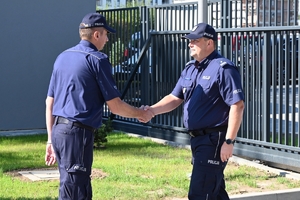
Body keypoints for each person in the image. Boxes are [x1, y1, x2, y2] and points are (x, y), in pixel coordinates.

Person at [44, 12, 153, 200]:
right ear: (96, 35)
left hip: (59, 131)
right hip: (77, 134)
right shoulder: (97, 59)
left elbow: (49, 102)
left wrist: (50, 139)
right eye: (106, 34)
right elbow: (116, 106)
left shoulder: (62, 57)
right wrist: (140, 113)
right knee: (75, 192)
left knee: (77, 188)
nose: (107, 39)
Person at [142, 23, 245, 199]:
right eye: (189, 41)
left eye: (195, 41)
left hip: (213, 140)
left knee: (200, 193)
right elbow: (175, 98)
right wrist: (151, 110)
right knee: (215, 192)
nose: (190, 44)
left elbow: (237, 105)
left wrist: (229, 141)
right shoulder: (190, 67)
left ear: (209, 43)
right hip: (197, 140)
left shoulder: (223, 69)